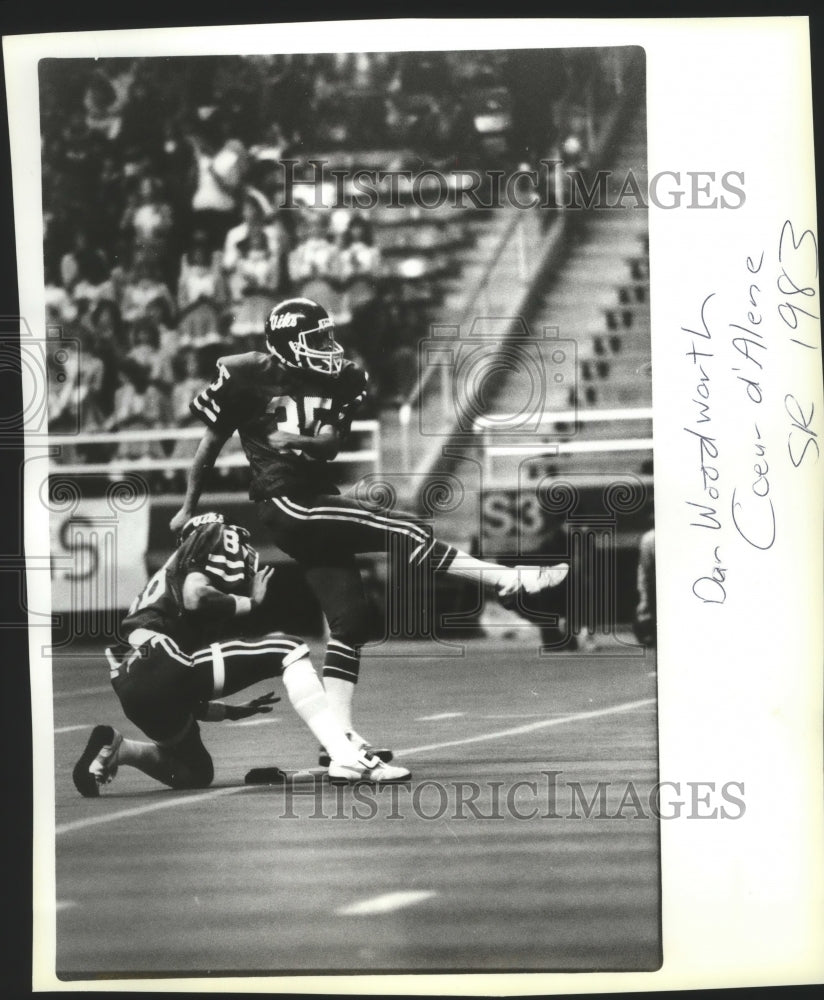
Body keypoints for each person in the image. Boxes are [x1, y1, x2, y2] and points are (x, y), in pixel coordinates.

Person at [169, 298, 569, 762]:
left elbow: (329, 446)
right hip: (286, 502)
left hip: (314, 495)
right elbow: (208, 448)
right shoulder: (245, 374)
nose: (327, 346)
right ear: (285, 344)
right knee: (408, 529)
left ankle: (338, 743)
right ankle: (511, 581)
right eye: (315, 339)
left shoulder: (344, 379)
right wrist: (186, 508)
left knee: (352, 621)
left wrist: (296, 439)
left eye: (326, 336)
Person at [72, 511, 410, 797]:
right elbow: (196, 596)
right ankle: (345, 756)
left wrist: (231, 712)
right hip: (159, 660)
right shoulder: (209, 536)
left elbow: (184, 693)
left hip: (134, 687)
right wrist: (250, 602)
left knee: (193, 772)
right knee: (289, 648)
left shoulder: (163, 593)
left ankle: (119, 748)